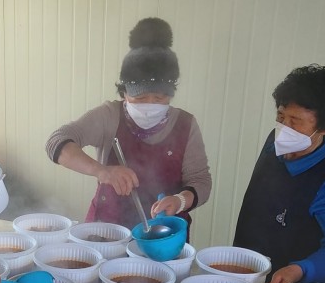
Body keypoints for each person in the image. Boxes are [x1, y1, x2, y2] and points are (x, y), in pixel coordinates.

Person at [45, 17, 211, 230]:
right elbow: (56, 142)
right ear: (124, 92)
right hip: (106, 232)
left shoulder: (186, 125)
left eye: (159, 98)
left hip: (164, 235)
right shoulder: (109, 116)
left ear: (171, 94)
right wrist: (102, 171)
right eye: (140, 98)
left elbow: (201, 181)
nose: (150, 104)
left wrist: (180, 200)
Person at [234, 64, 325, 283]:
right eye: (281, 117)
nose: (284, 129)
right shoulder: (275, 142)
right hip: (245, 276)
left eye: (295, 121)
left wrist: (299, 270)